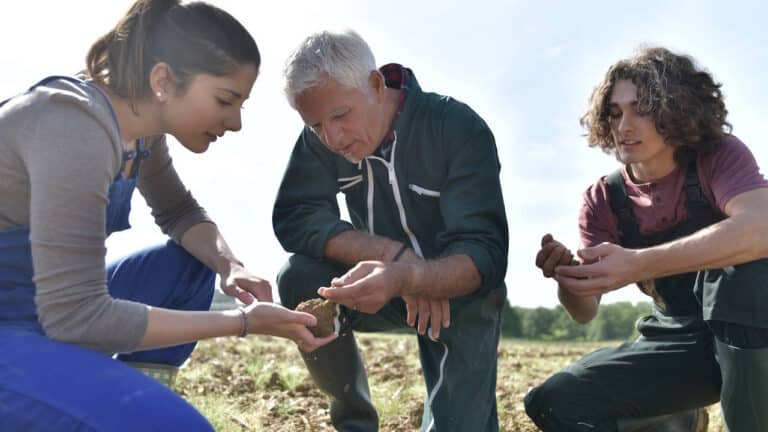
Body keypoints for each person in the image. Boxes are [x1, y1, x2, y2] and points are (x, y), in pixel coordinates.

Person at [0, 1, 335, 430]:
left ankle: (122, 403)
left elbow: (178, 211)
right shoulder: (73, 125)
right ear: (162, 80)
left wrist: (230, 267)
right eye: (225, 100)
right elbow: (77, 317)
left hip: (42, 313)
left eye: (241, 105)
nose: (235, 123)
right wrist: (243, 322)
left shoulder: (140, 135)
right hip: (37, 321)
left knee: (190, 265)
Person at [273, 29, 509, 431]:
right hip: (378, 286)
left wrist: (416, 277)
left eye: (340, 116)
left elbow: (484, 252)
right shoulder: (321, 139)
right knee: (299, 276)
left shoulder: (455, 127)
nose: (331, 138)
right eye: (315, 125)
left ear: (376, 85)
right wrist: (390, 256)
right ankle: (355, 424)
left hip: (458, 294)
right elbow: (296, 215)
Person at [525, 46, 768, 432]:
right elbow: (585, 312)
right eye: (615, 113)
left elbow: (761, 227)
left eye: (641, 110)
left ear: (677, 109)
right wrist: (570, 278)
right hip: (679, 341)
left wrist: (639, 263)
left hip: (755, 342)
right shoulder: (603, 199)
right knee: (553, 402)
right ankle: (672, 420)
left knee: (744, 273)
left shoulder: (719, 157)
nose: (624, 126)